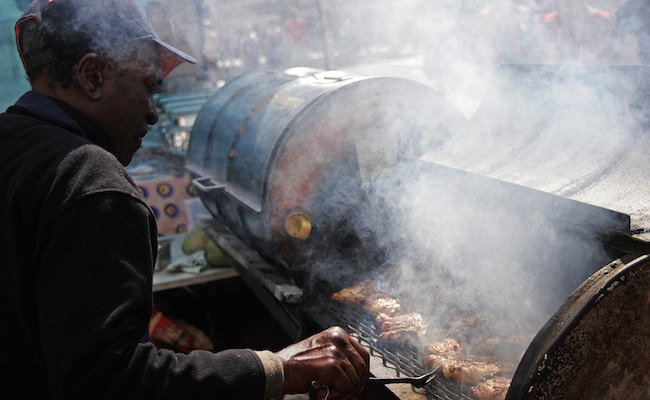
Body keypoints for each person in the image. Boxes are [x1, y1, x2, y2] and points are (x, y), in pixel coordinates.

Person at [0, 1, 369, 399]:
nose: (152, 113)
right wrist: (276, 369)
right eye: (147, 87)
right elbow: (108, 381)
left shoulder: (12, 144)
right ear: (92, 75)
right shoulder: (91, 184)